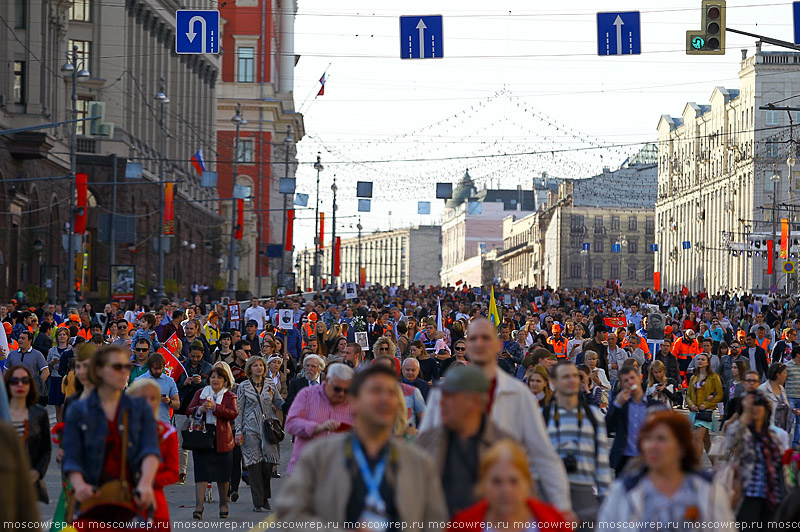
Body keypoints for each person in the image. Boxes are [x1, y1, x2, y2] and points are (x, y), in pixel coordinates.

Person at [420, 318, 572, 516]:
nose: (479, 344)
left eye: (486, 338)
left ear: (498, 345)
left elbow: (543, 455)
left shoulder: (519, 394)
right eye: (473, 339)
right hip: (453, 500)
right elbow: (426, 450)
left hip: (506, 504)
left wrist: (562, 508)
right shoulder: (443, 393)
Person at [275, 365, 448, 529]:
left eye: (391, 393)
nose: (384, 399)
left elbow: (434, 522)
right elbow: (290, 513)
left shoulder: (418, 463)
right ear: (354, 401)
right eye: (375, 391)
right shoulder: (318, 456)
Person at [62, 344, 159, 522]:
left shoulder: (139, 408)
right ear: (98, 371)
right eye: (116, 367)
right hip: (91, 497)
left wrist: (145, 483)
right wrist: (79, 484)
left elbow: (150, 449)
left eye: (126, 367)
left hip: (131, 498)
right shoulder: (78, 410)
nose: (123, 372)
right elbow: (71, 455)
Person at [598, 411, 735, 529]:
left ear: (681, 447)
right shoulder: (625, 489)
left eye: (661, 439)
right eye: (648, 439)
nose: (652, 445)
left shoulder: (707, 489)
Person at [415, 364, 510, 516]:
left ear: (474, 401)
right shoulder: (426, 441)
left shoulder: (505, 446)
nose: (441, 402)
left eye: (450, 396)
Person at [544, 363, 611, 528]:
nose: (572, 380)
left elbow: (602, 460)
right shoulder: (543, 416)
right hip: (551, 493)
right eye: (566, 376)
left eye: (576, 376)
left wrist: (604, 497)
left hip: (585, 493)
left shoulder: (594, 416)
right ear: (554, 381)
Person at [449, 440, 568, 531]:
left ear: (527, 483)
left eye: (514, 481)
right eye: (496, 481)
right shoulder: (462, 526)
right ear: (483, 485)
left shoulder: (555, 522)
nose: (505, 490)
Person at [722, 391, 787, 526]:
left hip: (773, 496)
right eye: (752, 405)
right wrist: (745, 413)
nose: (756, 408)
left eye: (759, 404)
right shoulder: (741, 433)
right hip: (748, 495)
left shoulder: (774, 437)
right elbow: (730, 442)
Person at [186, 365, 239, 520]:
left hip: (222, 437)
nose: (215, 380)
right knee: (201, 473)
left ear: (225, 380)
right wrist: (199, 409)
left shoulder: (229, 396)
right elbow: (189, 409)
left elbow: (233, 413)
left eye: (219, 377)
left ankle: (223, 504)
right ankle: (199, 507)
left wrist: (216, 407)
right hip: (203, 436)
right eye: (213, 377)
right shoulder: (200, 393)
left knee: (223, 475)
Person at [126, 378, 179, 531]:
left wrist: (148, 481)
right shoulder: (120, 431)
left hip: (154, 504)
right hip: (123, 503)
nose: (148, 403)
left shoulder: (167, 433)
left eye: (153, 398)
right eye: (142, 398)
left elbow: (173, 473)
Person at [285, 362, 355, 474]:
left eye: (346, 390)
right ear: (327, 381)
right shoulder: (307, 394)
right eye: (337, 389)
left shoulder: (353, 402)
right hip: (306, 470)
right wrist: (317, 427)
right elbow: (291, 424)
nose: (342, 394)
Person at [236, 356, 284, 512]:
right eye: (255, 366)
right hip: (250, 429)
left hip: (268, 428)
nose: (259, 368)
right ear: (250, 368)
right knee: (254, 465)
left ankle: (265, 496)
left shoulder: (270, 384)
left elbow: (278, 401)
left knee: (268, 464)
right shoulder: (243, 386)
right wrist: (238, 431)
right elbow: (240, 410)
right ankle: (258, 501)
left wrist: (293, 404)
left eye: (261, 366)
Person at [5, 365, 51, 503]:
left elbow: (46, 449)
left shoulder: (39, 414)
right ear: (7, 384)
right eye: (15, 381)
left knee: (25, 523)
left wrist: (37, 472)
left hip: (29, 481)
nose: (20, 384)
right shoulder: (3, 414)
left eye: (25, 381)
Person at [606, 365, 662, 474]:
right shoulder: (620, 405)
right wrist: (616, 405)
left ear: (640, 379)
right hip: (624, 459)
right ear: (622, 385)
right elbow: (606, 428)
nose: (630, 382)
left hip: (647, 459)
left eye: (632, 378)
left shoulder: (654, 406)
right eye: (626, 380)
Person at [686, 353, 722, 462]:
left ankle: (695, 466)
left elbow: (719, 394)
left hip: (706, 412)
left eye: (703, 359)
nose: (700, 361)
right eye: (698, 359)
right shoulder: (693, 378)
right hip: (694, 412)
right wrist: (691, 405)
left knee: (697, 437)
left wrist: (706, 405)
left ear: (707, 363)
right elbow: (688, 395)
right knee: (706, 441)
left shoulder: (714, 377)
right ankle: (715, 464)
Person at [5, 330, 49, 405]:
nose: (19, 340)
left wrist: (36, 385)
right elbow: (6, 372)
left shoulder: (37, 354)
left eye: (23, 338)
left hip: (30, 392)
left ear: (30, 341)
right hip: (15, 390)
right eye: (19, 338)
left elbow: (46, 372)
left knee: (30, 414)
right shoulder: (12, 354)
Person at [134, 353, 179, 424]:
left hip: (164, 424)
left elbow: (177, 405)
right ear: (149, 367)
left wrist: (169, 401)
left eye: (160, 368)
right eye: (155, 368)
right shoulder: (139, 381)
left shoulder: (170, 381)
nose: (158, 371)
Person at [47, 327, 72, 422]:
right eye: (60, 335)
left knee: (66, 404)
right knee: (57, 405)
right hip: (55, 378)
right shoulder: (52, 350)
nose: (62, 337)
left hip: (67, 379)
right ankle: (58, 426)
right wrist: (53, 363)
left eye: (64, 334)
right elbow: (47, 363)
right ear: (57, 337)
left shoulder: (70, 349)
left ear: (67, 336)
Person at [759, 362, 792, 432]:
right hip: (767, 432)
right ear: (778, 375)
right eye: (784, 373)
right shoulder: (763, 390)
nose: (786, 375)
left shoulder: (781, 389)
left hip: (782, 432)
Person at [786, 346, 800, 448]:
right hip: (790, 397)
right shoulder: (788, 366)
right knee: (789, 421)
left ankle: (796, 443)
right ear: (798, 355)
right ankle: (785, 442)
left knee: (799, 423)